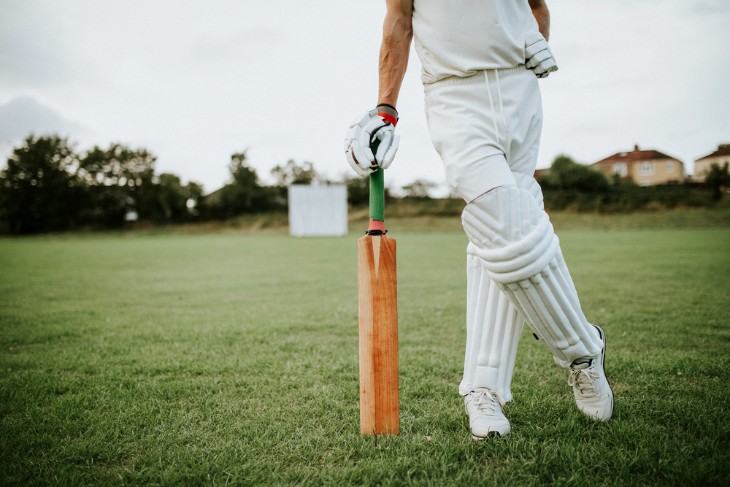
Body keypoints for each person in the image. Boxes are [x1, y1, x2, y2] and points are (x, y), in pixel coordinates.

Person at [345, 0, 614, 440]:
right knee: (499, 217)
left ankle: (483, 387)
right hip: (454, 94)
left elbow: (536, 7)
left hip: (520, 88)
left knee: (508, 222)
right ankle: (583, 351)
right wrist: (386, 108)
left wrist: (535, 40)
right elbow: (398, 19)